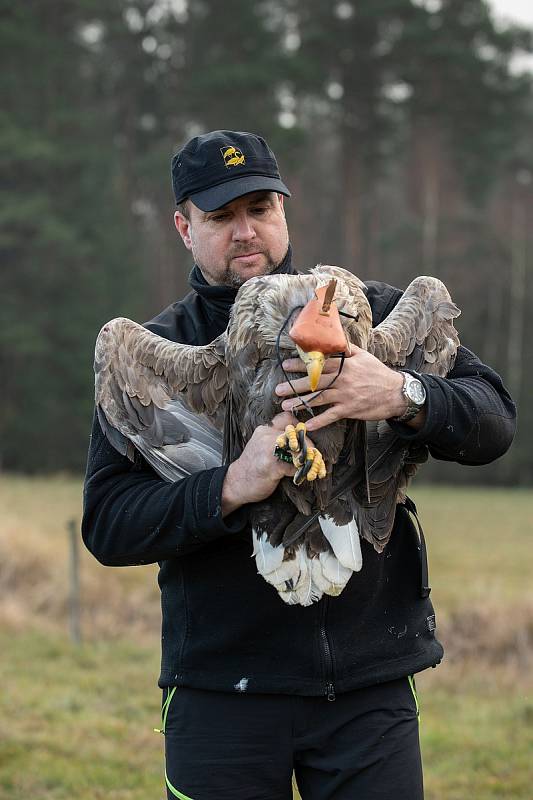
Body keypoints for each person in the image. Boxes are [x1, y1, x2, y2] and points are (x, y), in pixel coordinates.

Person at [82, 130, 516, 800]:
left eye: (260, 208)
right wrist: (229, 486)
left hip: (368, 688)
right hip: (221, 688)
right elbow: (109, 526)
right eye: (220, 217)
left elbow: (493, 424)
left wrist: (400, 394)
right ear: (183, 226)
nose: (245, 231)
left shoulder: (368, 311)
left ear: (284, 208)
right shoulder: (159, 350)